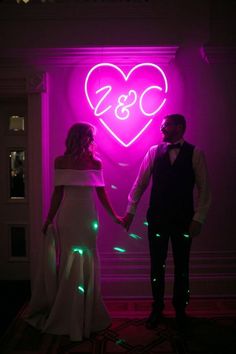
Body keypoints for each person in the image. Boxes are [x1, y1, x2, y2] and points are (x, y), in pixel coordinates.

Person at [24, 122, 123, 341]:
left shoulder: (96, 163)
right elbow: (58, 193)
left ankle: (87, 311)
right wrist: (49, 218)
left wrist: (115, 216)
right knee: (69, 256)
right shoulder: (60, 161)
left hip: (88, 217)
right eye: (90, 137)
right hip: (68, 217)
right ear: (83, 138)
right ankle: (68, 310)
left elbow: (101, 194)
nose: (92, 141)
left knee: (87, 255)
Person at [123, 114, 211, 329]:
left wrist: (198, 218)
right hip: (158, 219)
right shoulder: (154, 152)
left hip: (184, 220)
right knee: (157, 265)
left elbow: (204, 188)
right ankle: (158, 307)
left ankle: (181, 309)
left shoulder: (195, 153)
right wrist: (131, 211)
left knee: (182, 265)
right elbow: (140, 183)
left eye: (166, 125)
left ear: (179, 127)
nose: (162, 129)